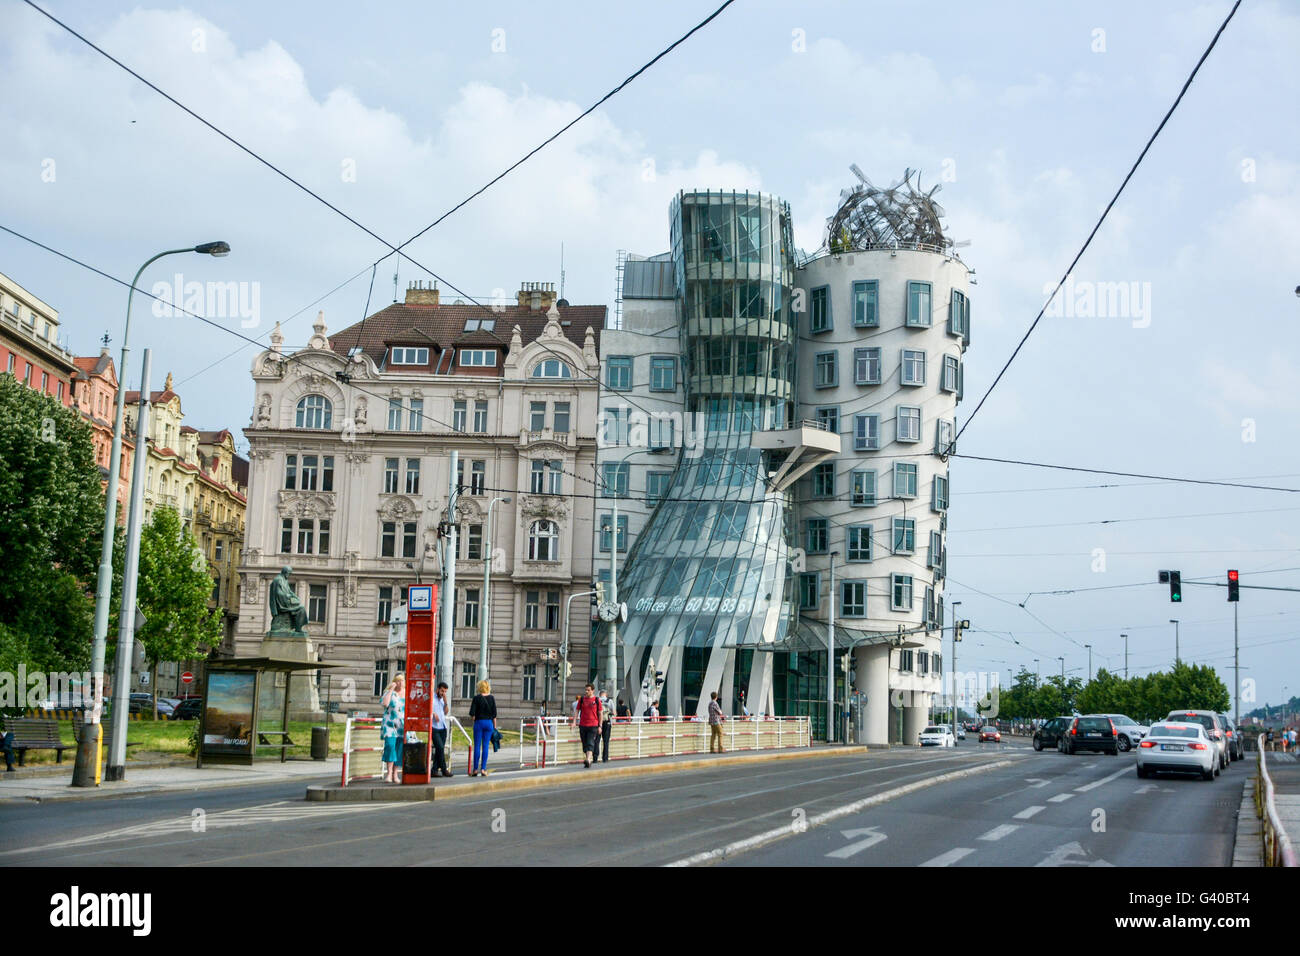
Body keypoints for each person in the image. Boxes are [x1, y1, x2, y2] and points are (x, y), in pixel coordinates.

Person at [380, 673, 405, 783]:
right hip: (390, 725)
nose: (400, 683)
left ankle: (395, 774)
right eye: (398, 680)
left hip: (402, 726)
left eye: (402, 680)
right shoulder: (389, 693)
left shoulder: (407, 693)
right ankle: (389, 773)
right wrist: (391, 690)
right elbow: (385, 704)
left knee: (399, 749)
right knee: (390, 746)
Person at [468, 680, 497, 776]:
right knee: (485, 746)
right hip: (489, 724)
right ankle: (483, 769)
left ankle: (475, 769)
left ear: (479, 687)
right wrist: (494, 727)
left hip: (479, 723)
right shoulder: (492, 698)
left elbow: (472, 714)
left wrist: (475, 719)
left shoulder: (476, 698)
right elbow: (494, 715)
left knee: (477, 746)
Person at [576, 684, 602, 768]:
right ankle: (588, 759)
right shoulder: (582, 699)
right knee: (584, 743)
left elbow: (600, 713)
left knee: (590, 742)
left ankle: (588, 759)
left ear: (592, 690)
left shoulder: (597, 700)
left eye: (588, 690)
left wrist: (600, 726)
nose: (586, 691)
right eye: (586, 690)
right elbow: (577, 711)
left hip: (593, 725)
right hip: (583, 724)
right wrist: (574, 722)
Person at [431, 681, 452, 777]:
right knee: (440, 747)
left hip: (443, 727)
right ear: (438, 689)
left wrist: (446, 702)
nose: (443, 693)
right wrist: (433, 714)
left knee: (440, 749)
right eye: (442, 691)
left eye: (445, 691)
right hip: (434, 727)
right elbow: (428, 709)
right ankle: (444, 769)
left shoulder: (443, 699)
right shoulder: (432, 698)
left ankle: (434, 770)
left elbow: (446, 712)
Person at [598, 688, 613, 763]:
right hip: (607, 722)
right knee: (606, 741)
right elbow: (614, 712)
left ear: (599, 694)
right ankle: (605, 758)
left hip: (598, 722)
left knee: (596, 740)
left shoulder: (597, 700)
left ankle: (594, 758)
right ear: (606, 694)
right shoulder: (609, 701)